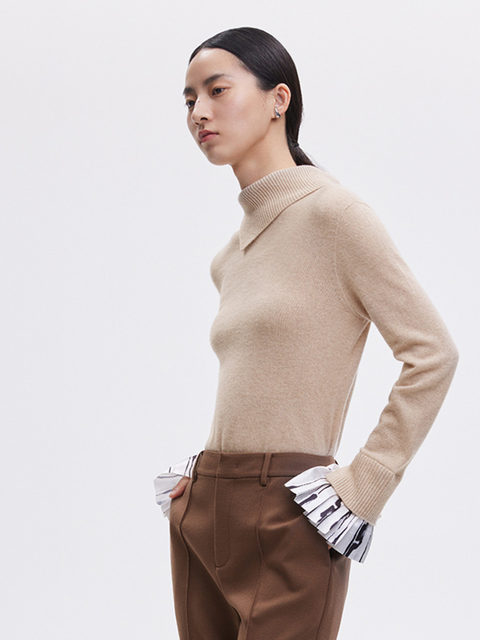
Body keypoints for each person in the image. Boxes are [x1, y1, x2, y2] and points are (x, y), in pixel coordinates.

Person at [153, 27, 459, 640]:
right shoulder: (229, 257)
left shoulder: (335, 216)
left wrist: (363, 485)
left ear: (279, 99)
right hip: (204, 504)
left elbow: (432, 354)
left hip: (291, 515)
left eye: (217, 90)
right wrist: (200, 483)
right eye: (189, 99)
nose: (199, 112)